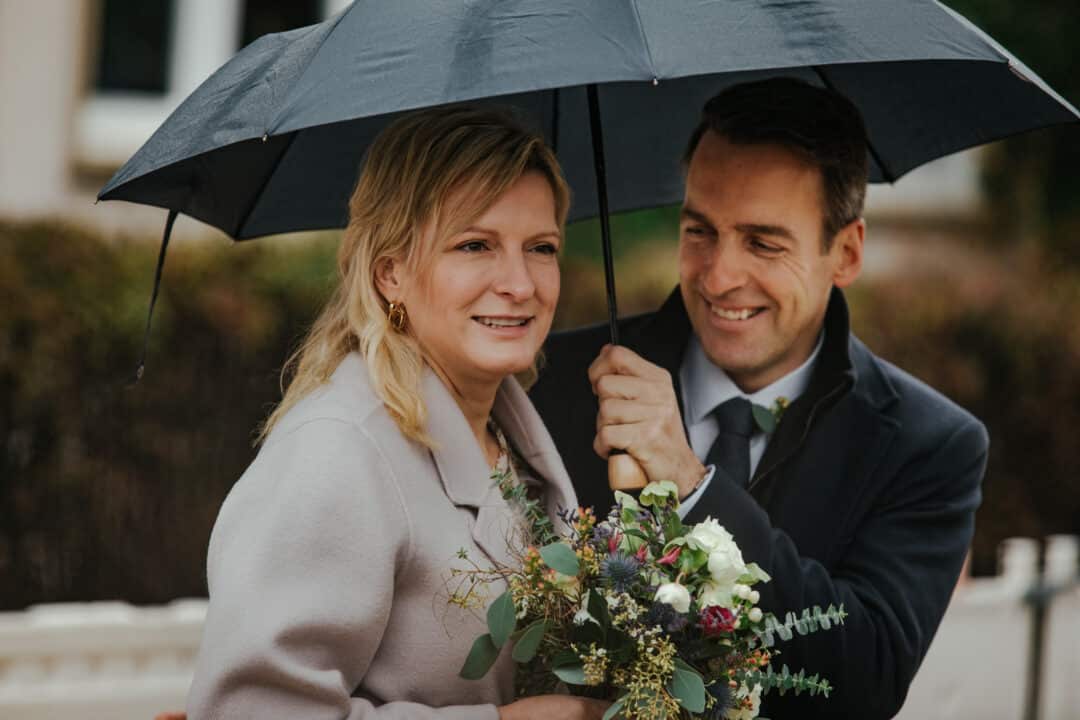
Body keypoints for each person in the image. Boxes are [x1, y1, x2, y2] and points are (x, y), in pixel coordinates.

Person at [529, 78, 988, 719]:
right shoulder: (550, 379)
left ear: (847, 252)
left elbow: (866, 682)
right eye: (700, 231)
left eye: (764, 242)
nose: (719, 277)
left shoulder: (929, 444)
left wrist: (692, 485)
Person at [186, 106, 608, 720]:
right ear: (392, 273)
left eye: (541, 247)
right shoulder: (336, 450)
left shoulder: (514, 441)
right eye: (475, 245)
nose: (521, 284)